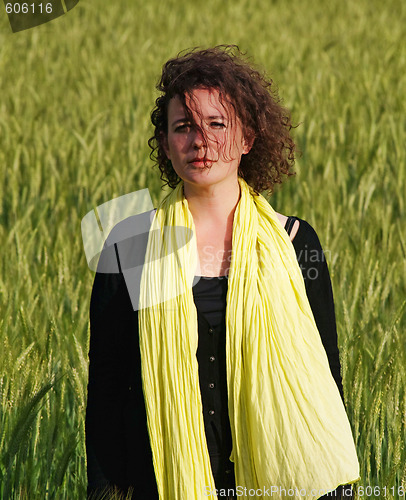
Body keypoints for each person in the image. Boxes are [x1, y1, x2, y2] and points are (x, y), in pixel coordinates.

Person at [86, 46, 359, 499]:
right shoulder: (129, 245)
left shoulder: (295, 243)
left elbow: (326, 374)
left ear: (248, 137)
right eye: (183, 127)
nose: (200, 140)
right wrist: (104, 490)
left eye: (217, 123)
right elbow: (108, 386)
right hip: (163, 482)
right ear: (166, 142)